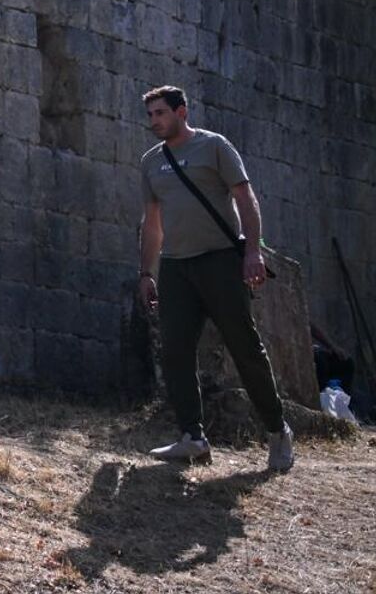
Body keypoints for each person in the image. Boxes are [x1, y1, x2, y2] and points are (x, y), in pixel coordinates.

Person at [135, 85, 294, 471]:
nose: (155, 121)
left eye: (161, 113)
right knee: (175, 351)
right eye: (151, 115)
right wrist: (146, 273)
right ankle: (192, 437)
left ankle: (277, 431)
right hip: (176, 267)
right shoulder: (151, 162)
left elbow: (246, 200)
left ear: (181, 112)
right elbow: (152, 223)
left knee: (245, 347)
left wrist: (253, 252)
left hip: (220, 261)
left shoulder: (214, 146)